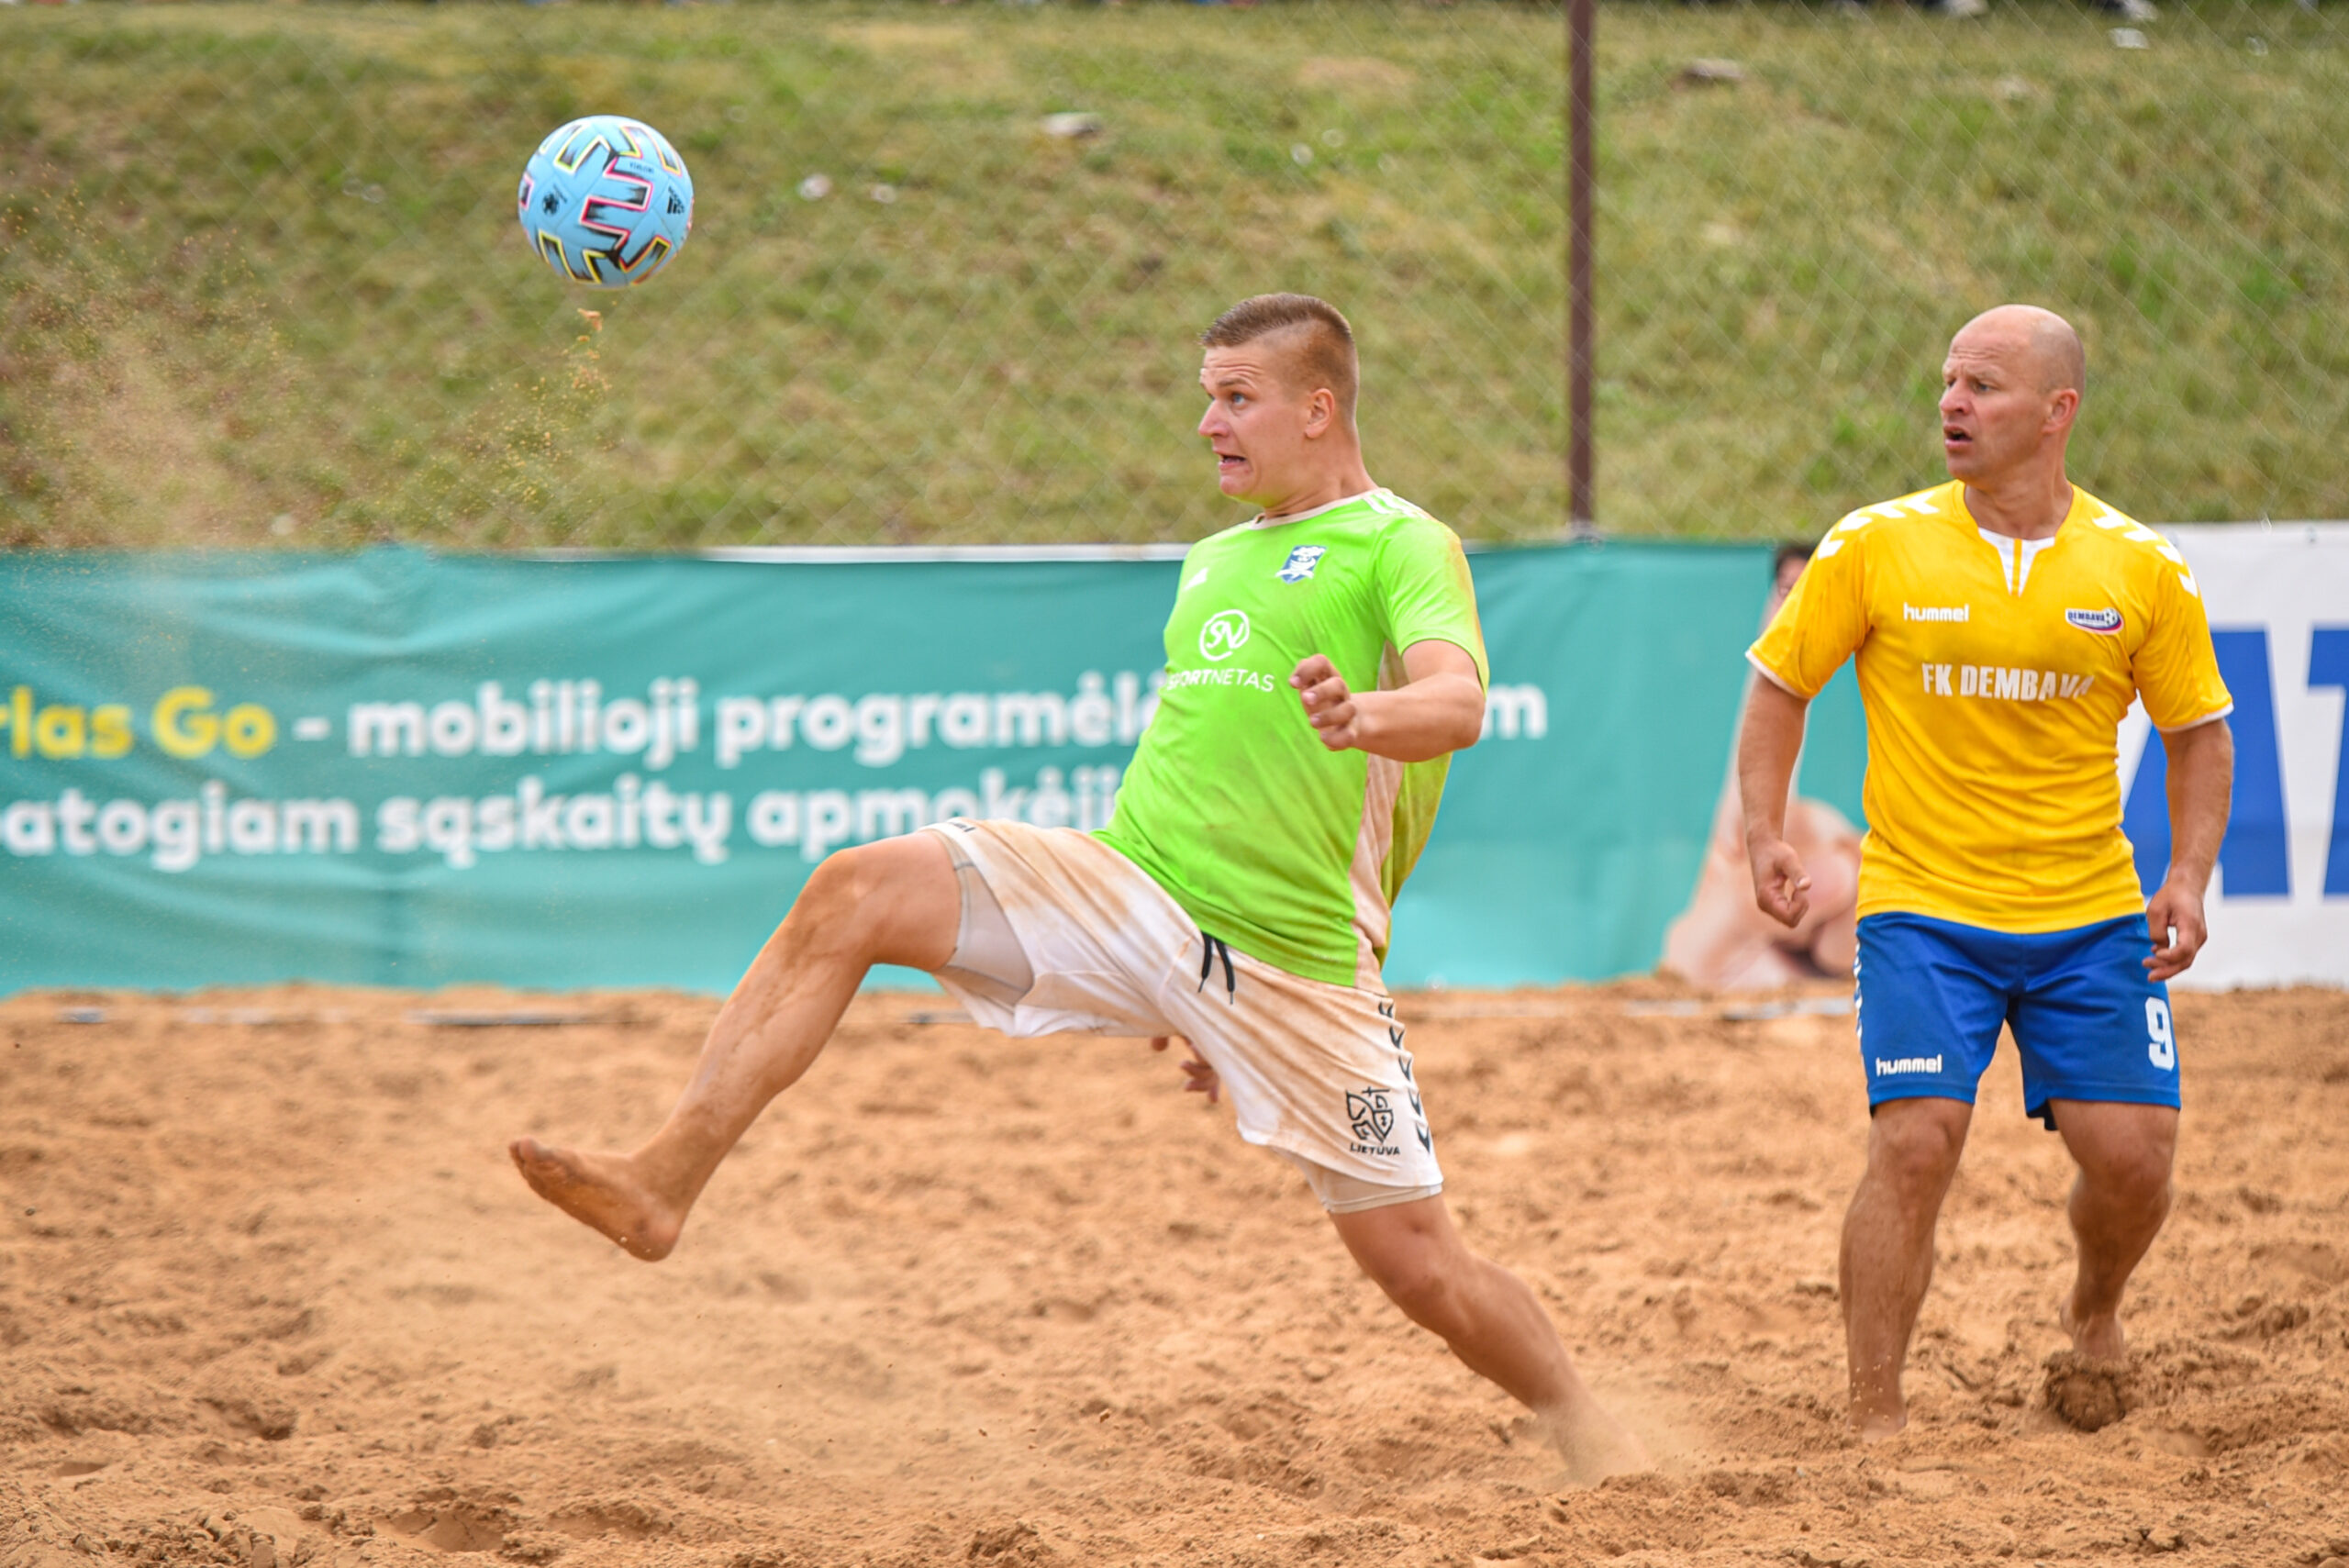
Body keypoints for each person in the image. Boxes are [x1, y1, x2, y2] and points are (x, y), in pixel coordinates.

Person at [509, 293, 1649, 1482]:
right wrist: (1158, 977)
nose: (1208, 423)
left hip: (1295, 959)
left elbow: (1457, 703)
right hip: (1134, 883)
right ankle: (662, 1181)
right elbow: (1197, 763)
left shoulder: (1399, 541)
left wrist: (1365, 716)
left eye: (1236, 397)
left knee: (1423, 1269)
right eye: (1206, 396)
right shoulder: (1214, 560)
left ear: (1318, 409)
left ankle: (1586, 1421)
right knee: (855, 888)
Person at [1737, 304, 2233, 1441]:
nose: (1950, 404)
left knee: (2134, 1163)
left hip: (2088, 910)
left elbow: (2198, 733)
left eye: (1982, 386)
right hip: (1922, 907)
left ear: (2058, 412)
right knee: (1915, 1140)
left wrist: (2189, 873)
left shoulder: (2139, 565)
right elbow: (1779, 685)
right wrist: (1765, 831)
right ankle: (1874, 1418)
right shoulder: (1873, 544)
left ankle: (2092, 1308)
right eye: (1947, 381)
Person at [1661, 542, 1863, 989]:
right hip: (1730, 952)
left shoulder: (1821, 835)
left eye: (1804, 592)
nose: (1794, 603)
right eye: (1787, 590)